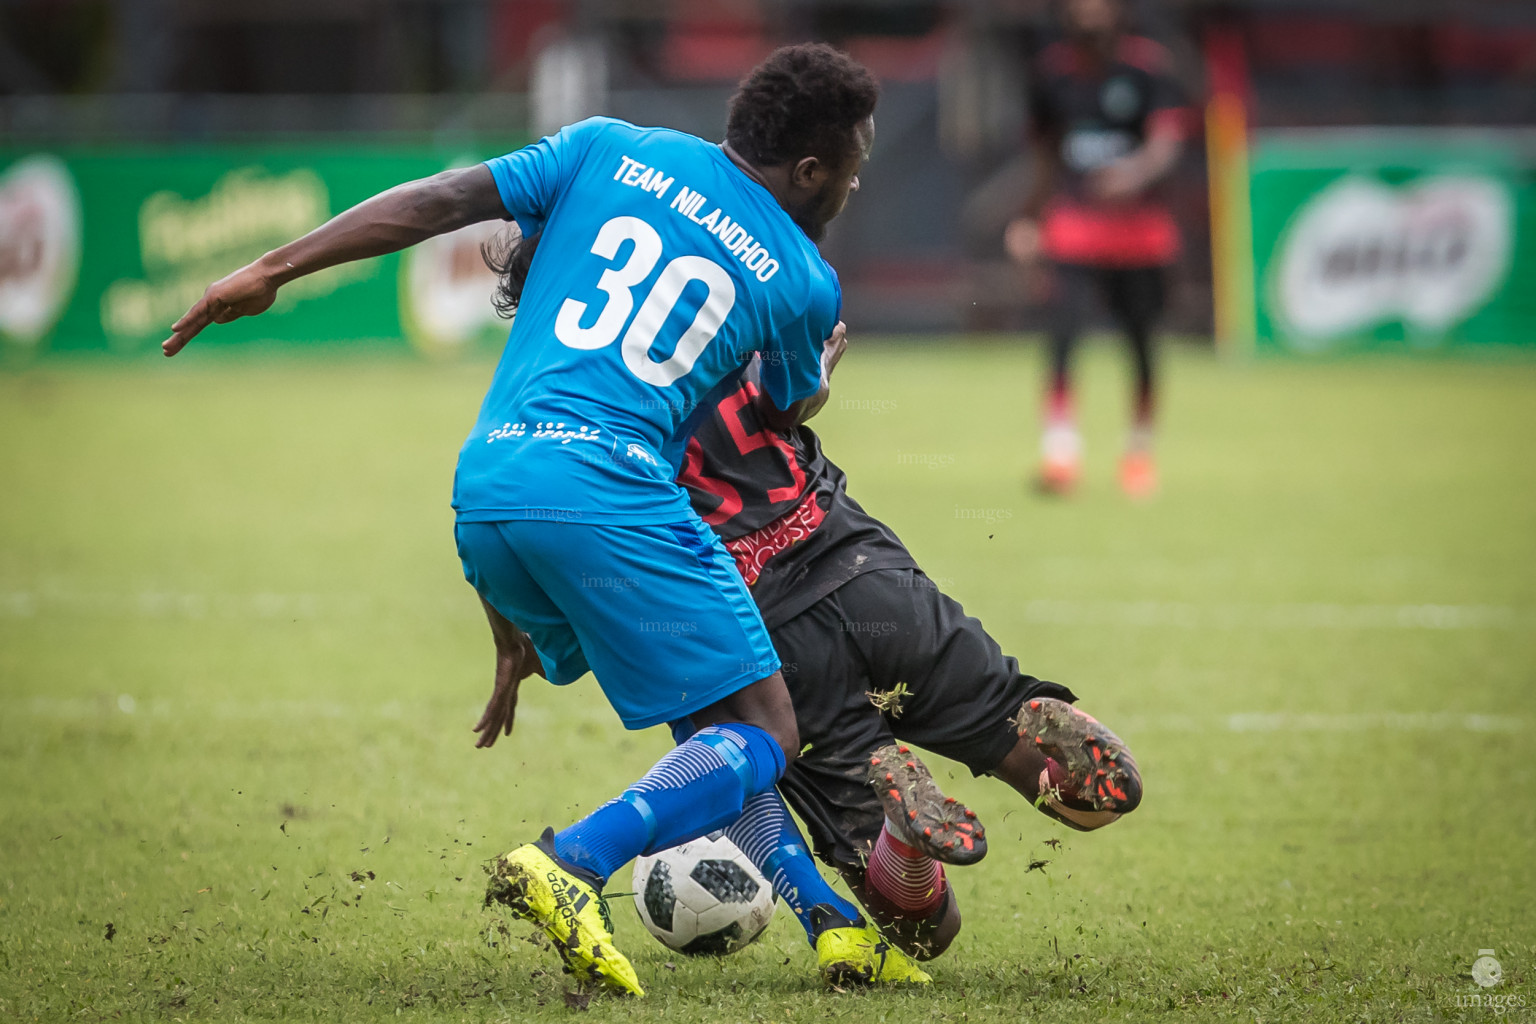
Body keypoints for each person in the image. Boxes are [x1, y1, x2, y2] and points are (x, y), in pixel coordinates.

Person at [162, 43, 925, 995]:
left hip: (488, 491)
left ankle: (833, 923)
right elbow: (781, 407)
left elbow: (437, 200)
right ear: (811, 170)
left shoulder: (607, 147)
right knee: (767, 728)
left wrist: (275, 267)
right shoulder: (805, 280)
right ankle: (572, 866)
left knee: (710, 725)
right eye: (851, 170)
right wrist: (823, 371)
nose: (852, 188)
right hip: (612, 492)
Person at [476, 232, 1145, 965]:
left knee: (925, 929)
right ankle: (1046, 743)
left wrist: (514, 630)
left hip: (765, 639)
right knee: (1077, 804)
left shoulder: (562, 408)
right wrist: (816, 376)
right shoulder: (715, 304)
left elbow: (522, 512)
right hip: (862, 566)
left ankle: (899, 836)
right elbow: (794, 394)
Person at [1004, 0, 1192, 497]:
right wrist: (1028, 218)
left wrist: (1134, 174)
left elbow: (1167, 143)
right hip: (1074, 227)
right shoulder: (1051, 75)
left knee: (1141, 344)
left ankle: (1139, 452)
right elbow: (1044, 154)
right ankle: (1060, 454)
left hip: (1140, 233)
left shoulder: (1149, 67)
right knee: (1063, 335)